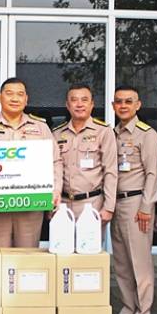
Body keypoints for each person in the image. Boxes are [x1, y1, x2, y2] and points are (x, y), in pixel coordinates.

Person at [0, 77, 62, 248]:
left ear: (26, 99)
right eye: (9, 93)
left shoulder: (41, 128)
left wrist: (55, 191)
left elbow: (55, 160)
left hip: (31, 204)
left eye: (20, 94)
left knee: (27, 257)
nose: (14, 98)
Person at [109, 85, 157, 314]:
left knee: (140, 262)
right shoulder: (112, 133)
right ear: (113, 106)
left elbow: (152, 173)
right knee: (121, 261)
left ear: (138, 105)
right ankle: (128, 309)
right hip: (116, 203)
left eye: (128, 101)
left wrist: (146, 207)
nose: (123, 106)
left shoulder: (146, 134)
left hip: (136, 202)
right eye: (119, 102)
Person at [53, 84, 117, 224]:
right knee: (62, 239)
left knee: (89, 240)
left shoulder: (103, 132)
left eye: (84, 100)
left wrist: (109, 207)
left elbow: (110, 171)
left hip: (92, 204)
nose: (79, 104)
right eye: (74, 100)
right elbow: (52, 170)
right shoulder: (57, 134)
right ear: (67, 105)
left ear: (92, 104)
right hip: (62, 205)